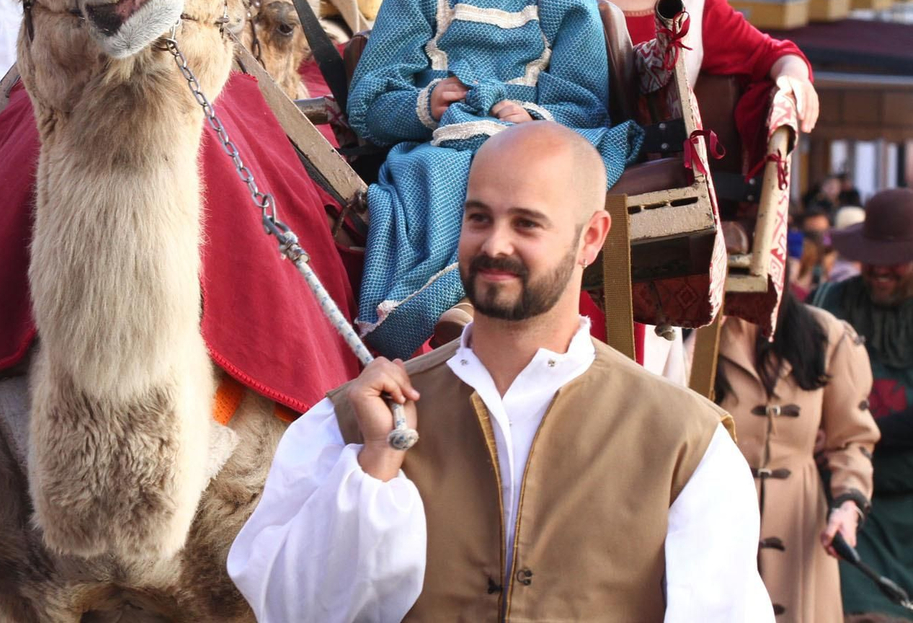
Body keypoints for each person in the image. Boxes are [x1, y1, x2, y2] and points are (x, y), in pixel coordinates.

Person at [228, 122, 771, 620]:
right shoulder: (348, 423)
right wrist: (375, 464)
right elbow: (293, 613)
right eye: (479, 218)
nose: (494, 245)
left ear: (591, 238)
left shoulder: (686, 443)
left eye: (526, 223)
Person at [347, 0, 643, 359]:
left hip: (533, 150)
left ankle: (463, 299)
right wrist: (427, 103)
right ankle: (436, 301)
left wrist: (534, 115)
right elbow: (369, 103)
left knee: (516, 190)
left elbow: (586, 104)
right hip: (443, 148)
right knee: (434, 179)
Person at [565, 0, 819, 362]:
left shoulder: (695, 2)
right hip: (566, 194)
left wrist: (795, 78)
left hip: (653, 218)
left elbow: (774, 53)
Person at [716, 289, 879, 621]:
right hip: (716, 523)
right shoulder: (693, 334)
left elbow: (852, 440)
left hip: (800, 523)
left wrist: (848, 507)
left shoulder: (826, 335)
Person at [814, 187, 913, 621]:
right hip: (842, 499)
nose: (878, 270)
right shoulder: (828, 303)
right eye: (871, 257)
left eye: (894, 260)